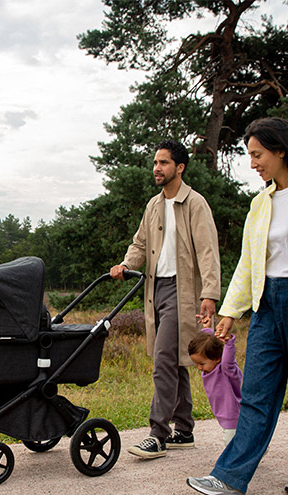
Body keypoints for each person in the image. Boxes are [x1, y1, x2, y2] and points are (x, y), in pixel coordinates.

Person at [187, 117, 288, 495]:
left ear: (280, 150)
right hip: (265, 306)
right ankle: (229, 478)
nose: (253, 163)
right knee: (256, 395)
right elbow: (248, 262)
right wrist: (231, 311)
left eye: (257, 154)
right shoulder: (260, 204)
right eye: (250, 156)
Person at [110, 140, 221, 459]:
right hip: (155, 289)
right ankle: (184, 429)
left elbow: (208, 252)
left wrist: (209, 294)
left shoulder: (195, 204)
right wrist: (127, 264)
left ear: (180, 167)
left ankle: (158, 433)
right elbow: (140, 244)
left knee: (163, 362)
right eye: (155, 163)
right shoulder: (153, 206)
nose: (157, 168)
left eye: (164, 163)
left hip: (184, 291)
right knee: (174, 360)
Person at [188, 318, 242, 446]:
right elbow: (207, 344)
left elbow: (228, 360)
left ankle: (235, 462)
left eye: (202, 364)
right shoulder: (209, 368)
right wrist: (207, 329)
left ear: (218, 358)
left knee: (231, 443)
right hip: (224, 415)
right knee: (240, 440)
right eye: (196, 364)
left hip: (234, 414)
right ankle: (257, 448)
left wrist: (229, 343)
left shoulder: (226, 369)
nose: (199, 368)